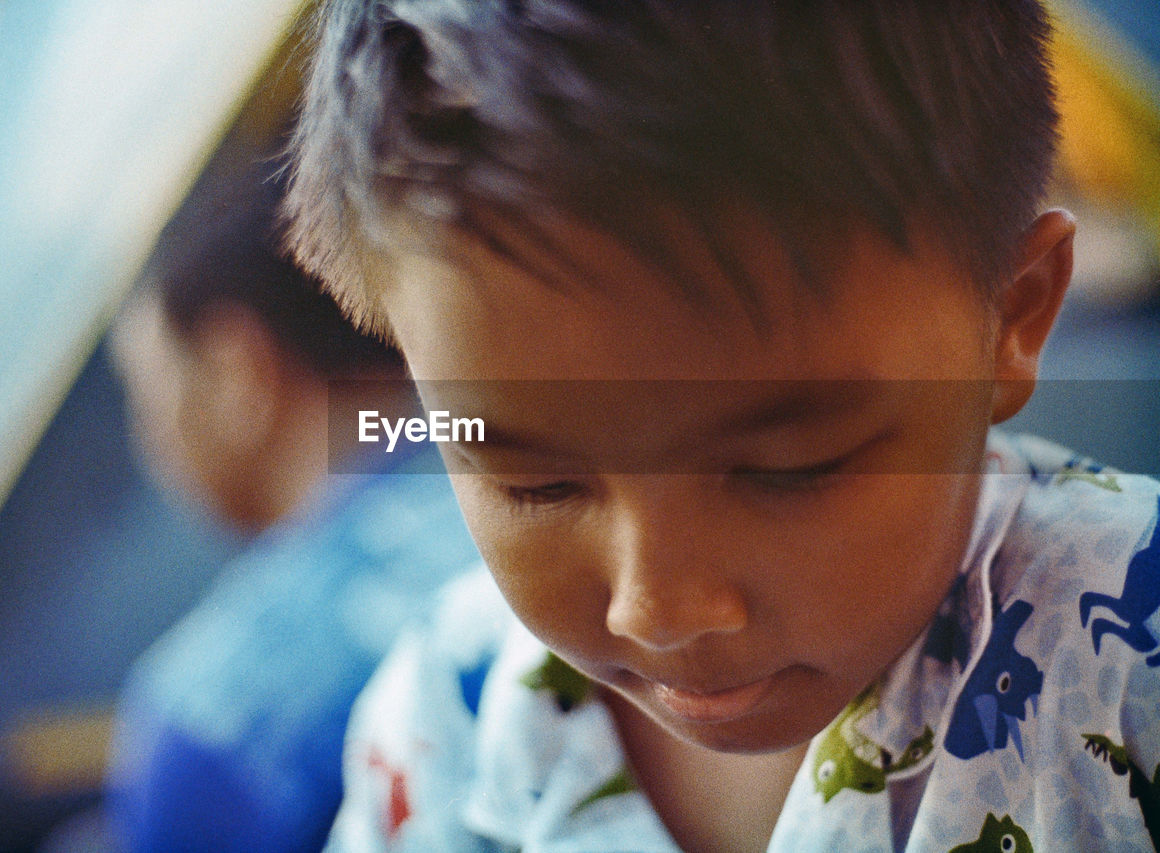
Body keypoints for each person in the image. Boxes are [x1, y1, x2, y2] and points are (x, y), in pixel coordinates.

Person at [279, 1, 1160, 851]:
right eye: (535, 483)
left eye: (790, 468)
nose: (660, 611)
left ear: (1013, 313)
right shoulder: (441, 723)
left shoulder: (1133, 666)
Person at [104, 171, 480, 852]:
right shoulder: (581, 500)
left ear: (237, 371)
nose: (151, 446)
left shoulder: (215, 716)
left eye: (148, 397)